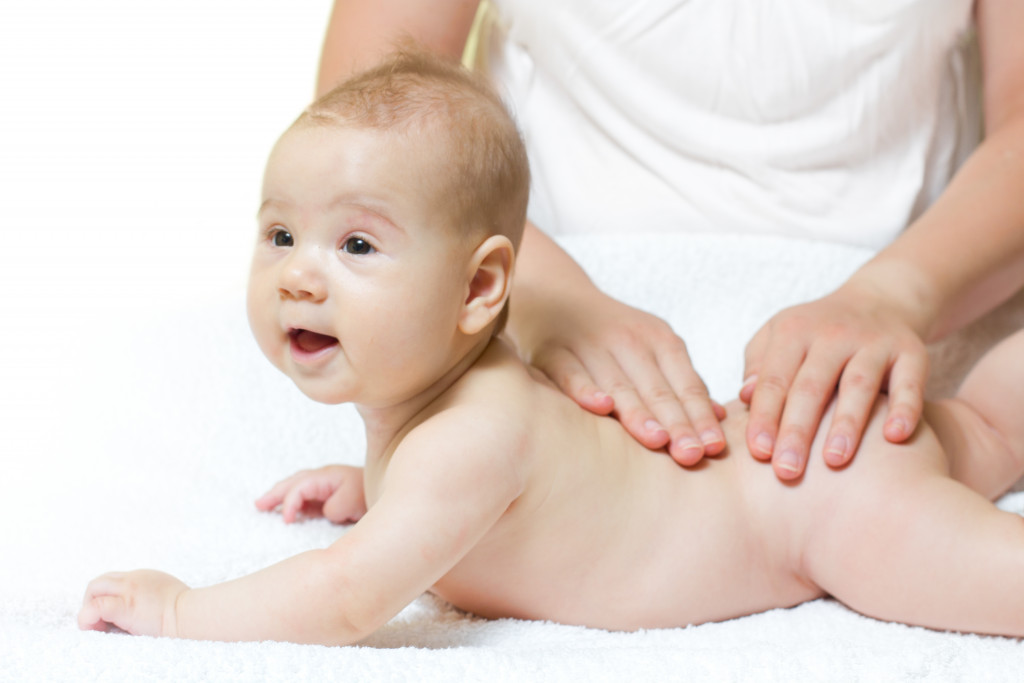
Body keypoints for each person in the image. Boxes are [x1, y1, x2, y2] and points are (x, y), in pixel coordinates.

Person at [79, 51, 1024, 644]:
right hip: (804, 459)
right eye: (279, 234)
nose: (297, 273)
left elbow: (347, 596)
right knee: (980, 427)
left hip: (828, 512)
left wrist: (180, 612)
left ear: (483, 288)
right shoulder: (457, 414)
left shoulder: (467, 438)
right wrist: (374, 485)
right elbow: (527, 498)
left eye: (356, 245)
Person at [315, 0, 1024, 483]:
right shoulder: (492, 427)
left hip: (901, 337)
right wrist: (546, 300)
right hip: (530, 320)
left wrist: (893, 295)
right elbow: (364, 121)